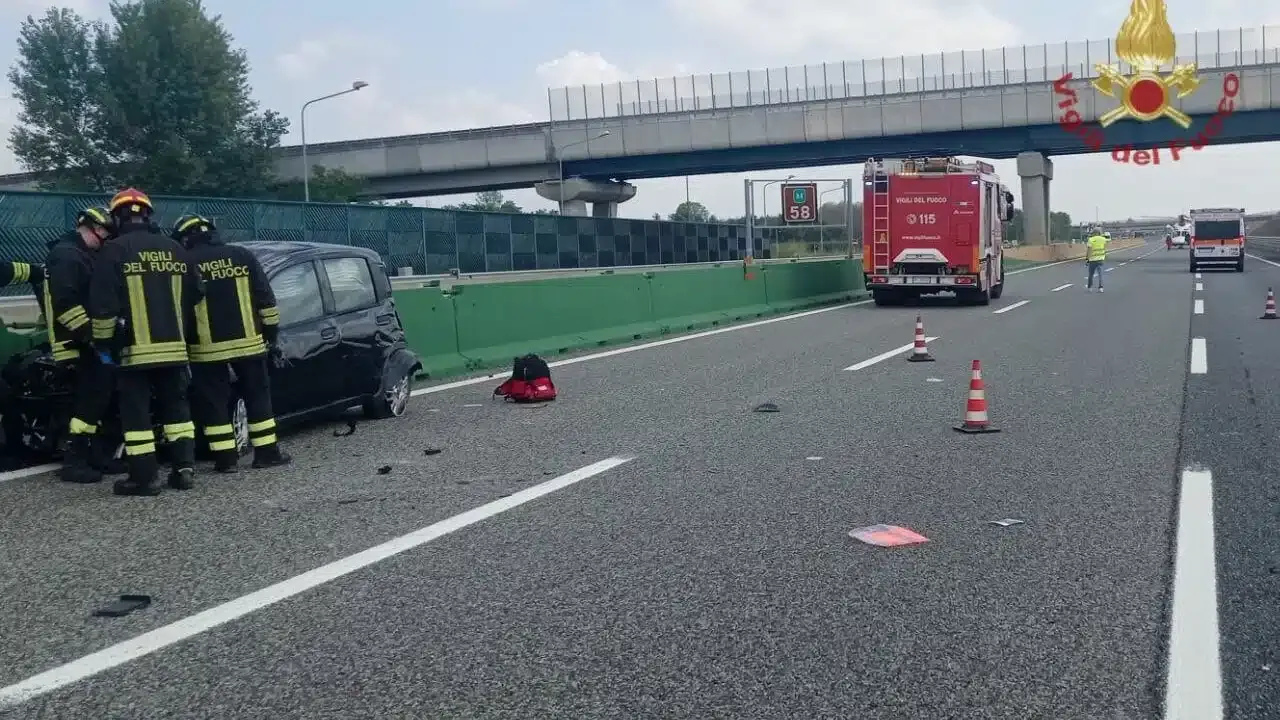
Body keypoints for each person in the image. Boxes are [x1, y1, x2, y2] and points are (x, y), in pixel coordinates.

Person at [88, 187, 204, 496]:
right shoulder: (176, 249)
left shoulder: (113, 251)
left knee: (136, 415)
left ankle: (144, 478)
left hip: (133, 352)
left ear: (116, 218)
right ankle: (184, 470)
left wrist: (103, 347)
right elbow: (196, 293)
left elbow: (102, 308)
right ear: (149, 215)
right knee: (177, 411)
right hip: (175, 349)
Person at [171, 214, 290, 472]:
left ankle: (225, 460)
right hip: (249, 344)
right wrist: (270, 336)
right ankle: (267, 453)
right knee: (258, 397)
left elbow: (179, 307)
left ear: (185, 238)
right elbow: (265, 299)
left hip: (205, 349)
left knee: (214, 404)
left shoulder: (185, 263)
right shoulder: (242, 255)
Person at [42, 206, 121, 483]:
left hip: (88, 343)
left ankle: (97, 457)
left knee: (100, 400)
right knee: (88, 404)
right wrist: (92, 336)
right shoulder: (67, 256)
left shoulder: (82, 254)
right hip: (77, 344)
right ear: (85, 226)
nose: (103, 238)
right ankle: (74, 461)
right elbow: (66, 304)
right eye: (101, 232)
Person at [1085, 227, 1108, 293]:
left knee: (1091, 274)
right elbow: (1104, 248)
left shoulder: (1091, 239)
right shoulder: (1103, 239)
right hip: (1100, 259)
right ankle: (1101, 288)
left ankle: (1089, 287)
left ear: (1095, 233)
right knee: (1100, 274)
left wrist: (1087, 259)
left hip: (1092, 260)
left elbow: (1089, 250)